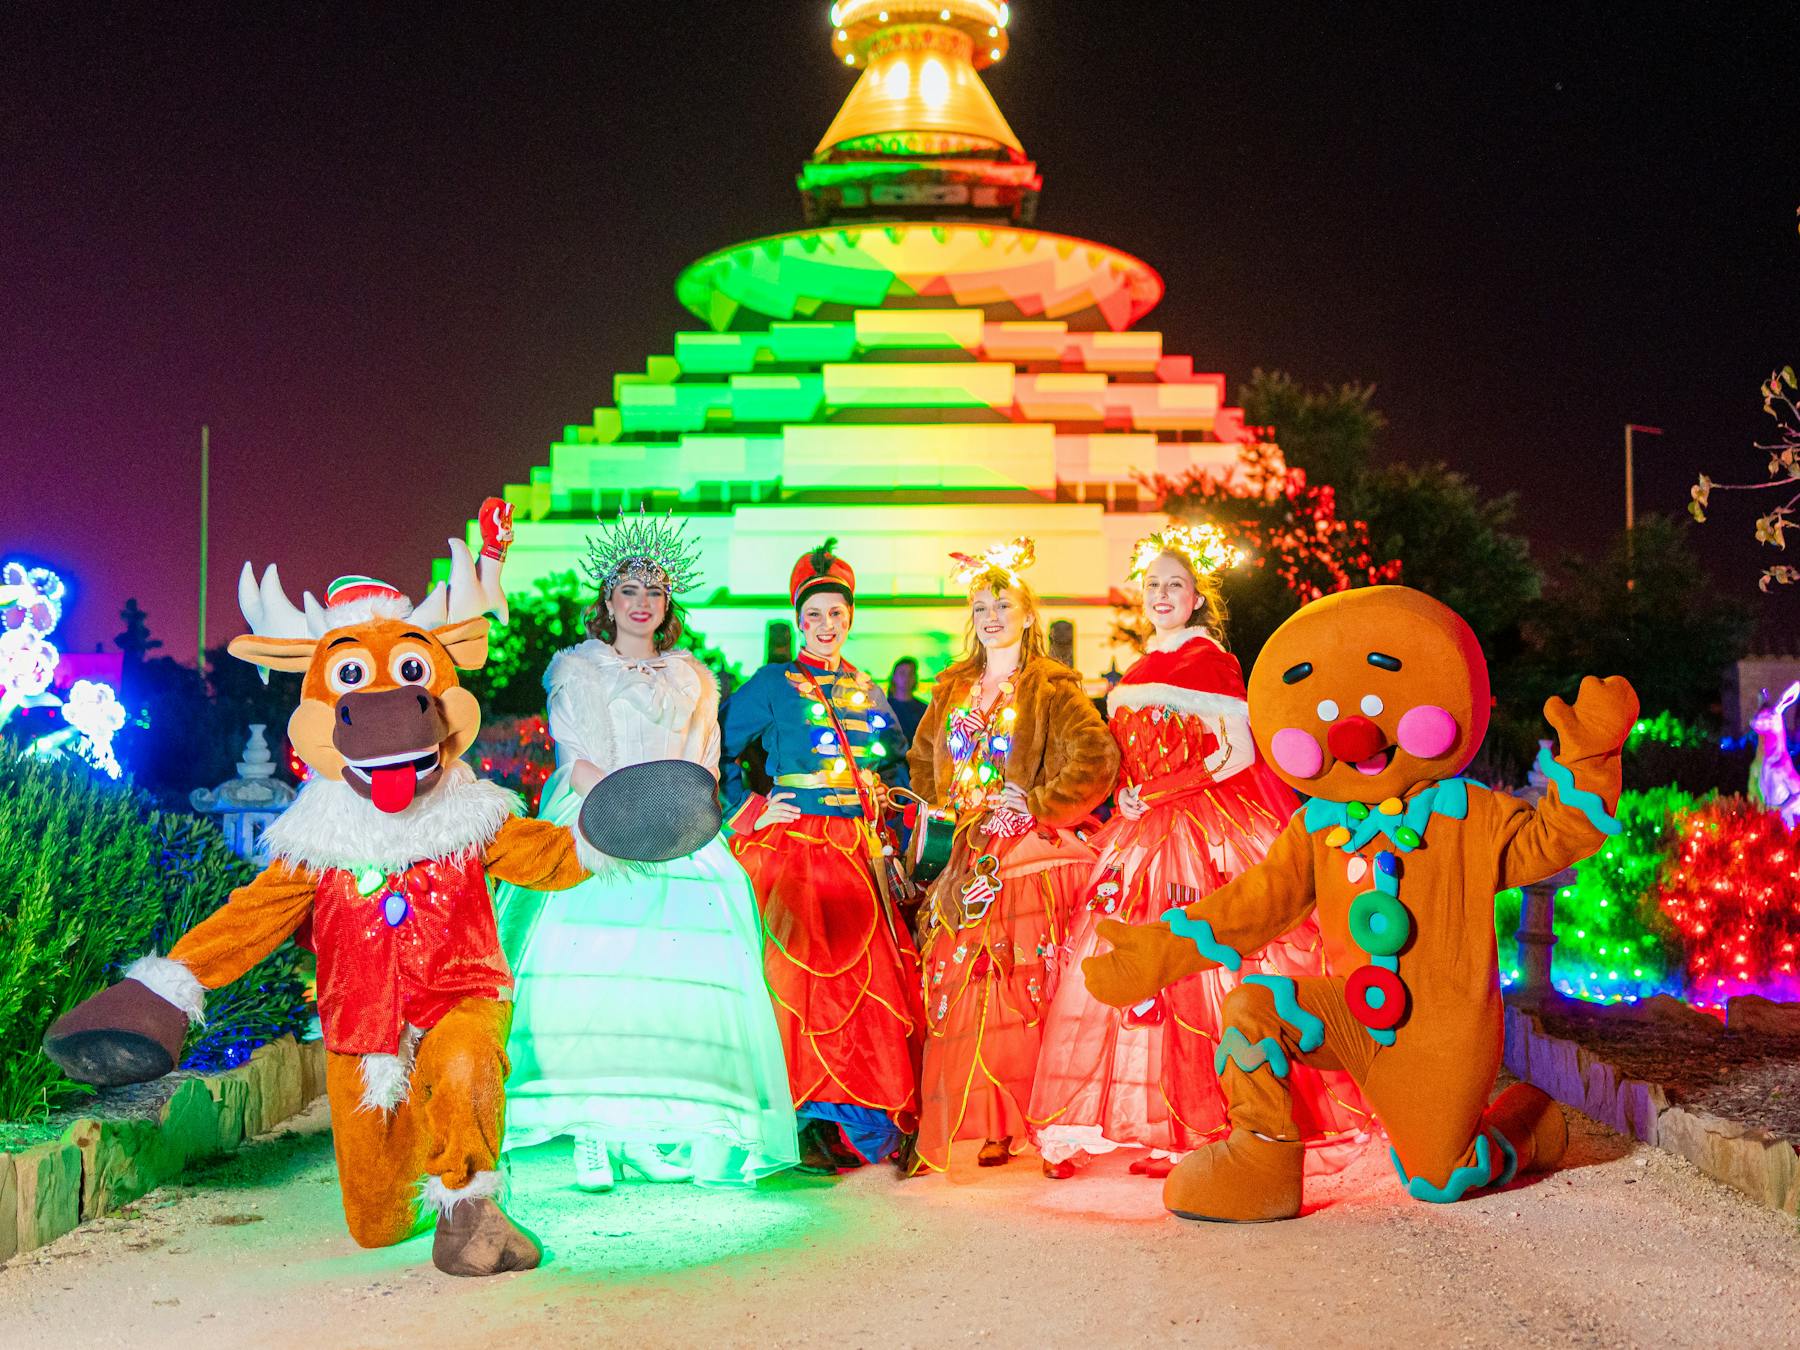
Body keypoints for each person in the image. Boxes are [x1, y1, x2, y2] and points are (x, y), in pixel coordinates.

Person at [1030, 524, 1372, 1178]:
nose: (1162, 595)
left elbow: (1235, 754)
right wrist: (1127, 794)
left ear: (1195, 598)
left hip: (1203, 830)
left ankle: (1202, 1123)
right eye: (1153, 585)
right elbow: (1125, 754)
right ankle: (1154, 1120)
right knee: (1133, 965)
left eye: (1175, 585)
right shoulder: (1137, 670)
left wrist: (1157, 793)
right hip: (1139, 831)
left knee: (1198, 965)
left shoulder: (1210, 661)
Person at [495, 511, 798, 1191]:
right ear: (607, 602)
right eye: (628, 591)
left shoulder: (693, 675)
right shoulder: (579, 668)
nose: (641, 603)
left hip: (677, 825)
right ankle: (596, 1137)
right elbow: (578, 758)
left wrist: (677, 820)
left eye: (654, 592)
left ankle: (649, 1131)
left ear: (668, 605)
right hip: (599, 819)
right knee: (593, 987)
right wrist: (623, 820)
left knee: (670, 992)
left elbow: (704, 762)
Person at [907, 538, 1120, 1176]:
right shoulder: (951, 688)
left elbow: (1097, 758)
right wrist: (944, 796)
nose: (991, 615)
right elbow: (921, 764)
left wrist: (1036, 802)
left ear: (1027, 614)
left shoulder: (1051, 686)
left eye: (1003, 603)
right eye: (980, 606)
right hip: (968, 854)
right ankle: (998, 1121)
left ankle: (1051, 1127)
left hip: (1030, 854)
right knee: (972, 990)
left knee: (1032, 989)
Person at [721, 539, 922, 1174]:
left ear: (849, 618)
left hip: (858, 853)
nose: (826, 625)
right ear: (798, 620)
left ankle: (861, 1118)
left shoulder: (865, 686)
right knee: (798, 990)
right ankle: (804, 1123)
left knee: (866, 993)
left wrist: (899, 822)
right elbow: (716, 751)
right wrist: (750, 809)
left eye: (837, 614)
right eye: (815, 616)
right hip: (797, 850)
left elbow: (898, 767)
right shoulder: (771, 684)